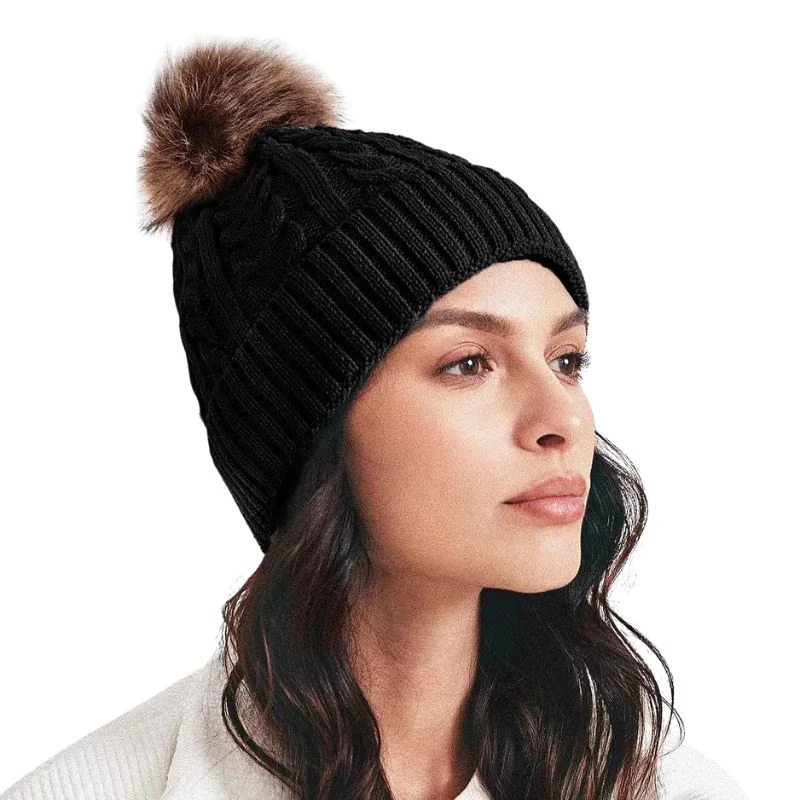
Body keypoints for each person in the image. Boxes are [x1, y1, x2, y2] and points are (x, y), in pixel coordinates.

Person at [0, 39, 749, 800]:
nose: (563, 420)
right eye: (469, 363)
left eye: (566, 359)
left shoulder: (666, 785)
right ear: (311, 431)